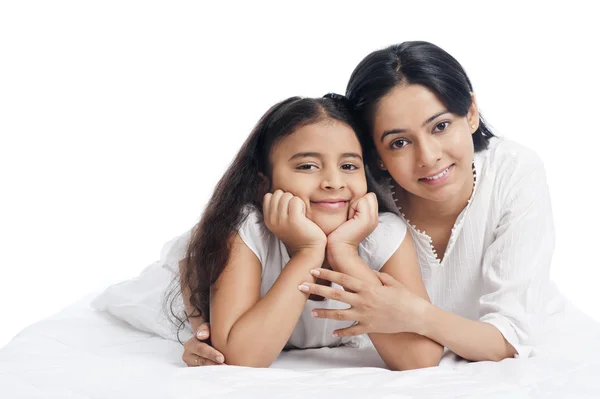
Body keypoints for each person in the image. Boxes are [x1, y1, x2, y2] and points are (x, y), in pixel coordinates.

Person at [184, 40, 556, 365]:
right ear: (376, 153)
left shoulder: (511, 174)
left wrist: (414, 313)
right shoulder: (354, 187)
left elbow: (508, 337)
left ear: (471, 113)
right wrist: (200, 317)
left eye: (440, 125)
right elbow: (204, 241)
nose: (428, 157)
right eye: (398, 142)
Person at [173, 94, 443, 369]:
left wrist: (345, 254)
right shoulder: (247, 228)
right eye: (307, 166)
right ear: (263, 184)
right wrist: (307, 253)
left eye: (348, 166)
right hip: (179, 285)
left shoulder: (383, 234)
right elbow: (240, 359)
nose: (333, 182)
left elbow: (420, 359)